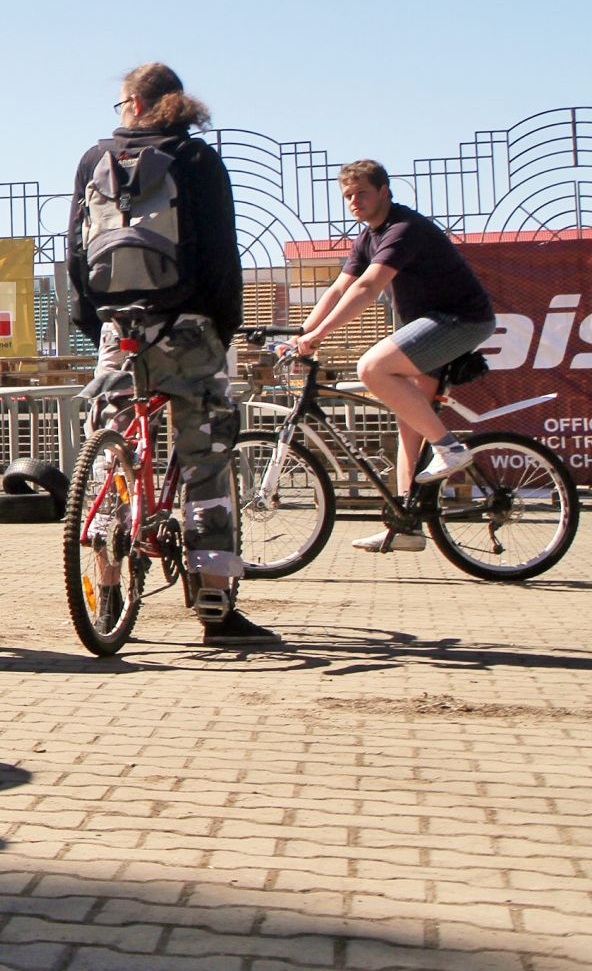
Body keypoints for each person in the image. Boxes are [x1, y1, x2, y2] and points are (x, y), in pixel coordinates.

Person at [67, 63, 275, 648]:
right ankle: (215, 603)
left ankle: (106, 592)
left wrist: (95, 323)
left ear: (134, 104)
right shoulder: (198, 160)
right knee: (206, 459)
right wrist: (221, 327)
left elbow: (76, 250)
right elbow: (219, 253)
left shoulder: (95, 159)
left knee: (111, 459)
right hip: (189, 330)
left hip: (118, 332)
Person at [286, 160, 497, 553]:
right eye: (347, 195)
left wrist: (320, 336)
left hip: (460, 320)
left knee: (372, 367)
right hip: (430, 324)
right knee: (409, 424)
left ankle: (450, 450)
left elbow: (368, 288)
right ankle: (406, 525)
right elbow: (337, 288)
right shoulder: (367, 238)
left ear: (384, 191)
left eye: (362, 192)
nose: (354, 201)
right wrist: (301, 333)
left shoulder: (404, 229)